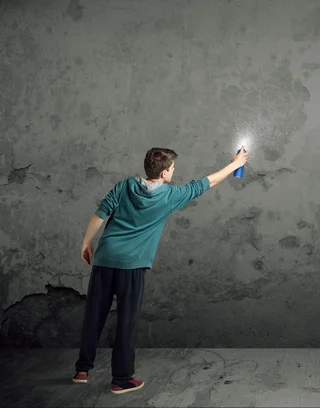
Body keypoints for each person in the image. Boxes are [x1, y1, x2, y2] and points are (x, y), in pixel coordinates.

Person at [71, 146, 248, 395]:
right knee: (126, 322)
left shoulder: (124, 186)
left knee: (94, 316)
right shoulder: (170, 196)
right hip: (131, 266)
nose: (175, 171)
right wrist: (235, 163)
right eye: (173, 168)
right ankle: (121, 380)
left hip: (105, 259)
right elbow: (208, 182)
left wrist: (86, 243)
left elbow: (100, 214)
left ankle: (82, 370)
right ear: (164, 173)